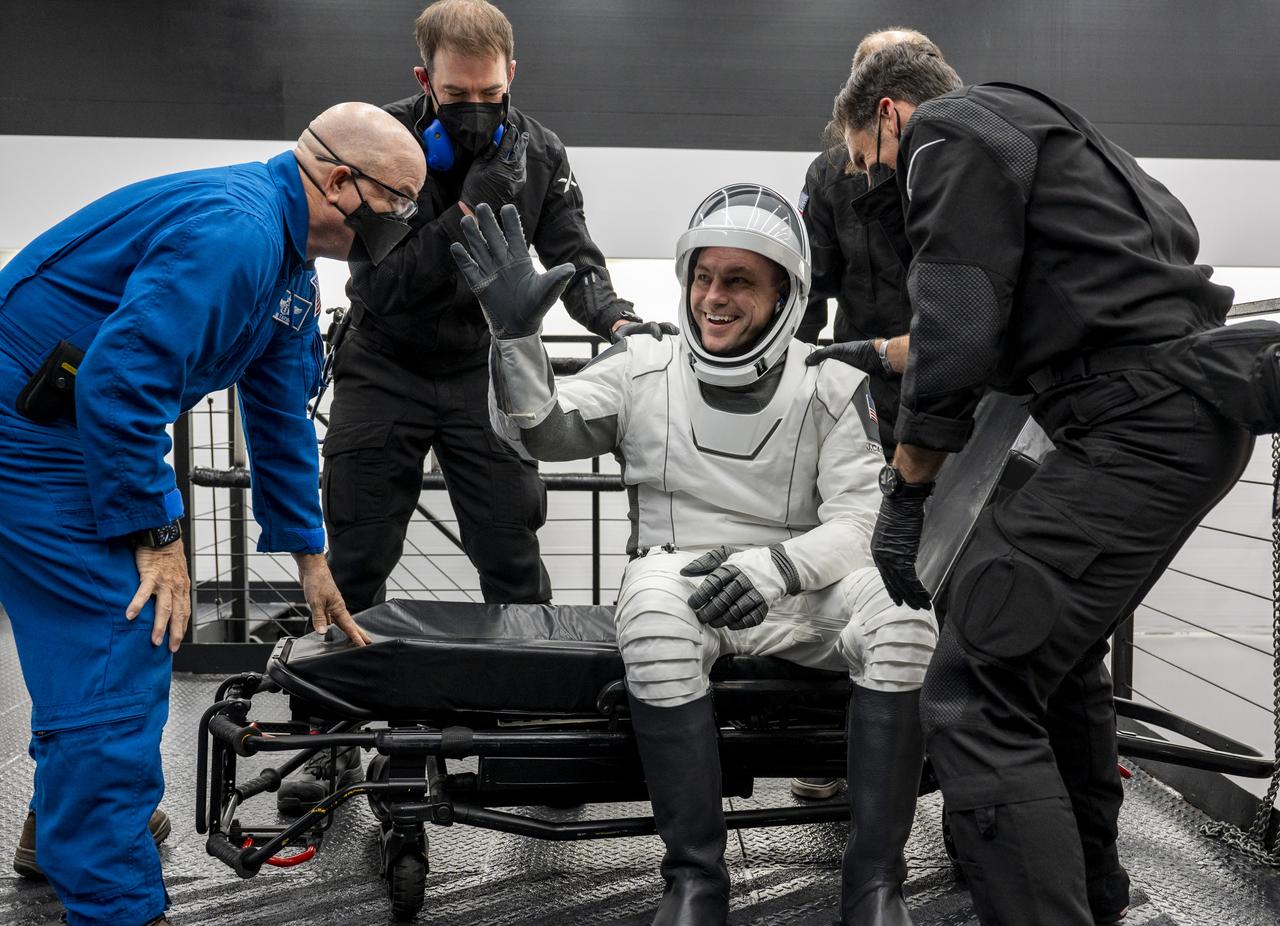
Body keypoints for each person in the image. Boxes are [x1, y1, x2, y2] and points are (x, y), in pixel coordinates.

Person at [830, 43, 1254, 924]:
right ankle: (1096, 896)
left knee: (973, 685)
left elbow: (958, 309)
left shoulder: (944, 133)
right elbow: (1076, 295)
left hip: (1132, 429)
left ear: (889, 117)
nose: (880, 190)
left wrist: (906, 494)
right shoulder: (1060, 134)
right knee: (1052, 670)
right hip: (1176, 413)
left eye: (874, 169)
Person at [451, 192, 939, 925]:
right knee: (651, 618)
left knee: (906, 616)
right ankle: (695, 885)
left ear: (786, 295)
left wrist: (773, 569)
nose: (714, 297)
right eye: (703, 276)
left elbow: (860, 520)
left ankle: (875, 887)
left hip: (798, 581)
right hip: (679, 576)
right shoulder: (642, 365)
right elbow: (540, 434)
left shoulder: (832, 380)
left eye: (740, 280)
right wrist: (515, 338)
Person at [0, 101, 399, 926]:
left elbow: (282, 411)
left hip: (71, 427)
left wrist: (310, 557)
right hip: (35, 435)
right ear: (338, 181)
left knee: (100, 652)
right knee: (129, 635)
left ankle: (66, 824)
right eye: (394, 203)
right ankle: (115, 903)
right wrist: (157, 535)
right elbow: (121, 380)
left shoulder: (288, 262)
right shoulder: (237, 234)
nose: (399, 224)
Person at [288, 0, 667, 818]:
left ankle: (530, 734)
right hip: (382, 365)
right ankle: (324, 742)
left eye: (489, 92)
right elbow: (384, 281)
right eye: (458, 94)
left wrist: (620, 320)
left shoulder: (540, 152)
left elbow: (576, 256)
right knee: (353, 562)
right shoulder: (382, 147)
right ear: (426, 81)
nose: (476, 108)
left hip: (478, 372)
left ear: (512, 78)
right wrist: (473, 201)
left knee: (512, 559)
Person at [791, 25, 946, 804]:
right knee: (853, 569)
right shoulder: (830, 175)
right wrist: (788, 374)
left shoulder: (952, 165)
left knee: (950, 578)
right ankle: (834, 754)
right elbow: (810, 285)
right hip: (866, 393)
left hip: (949, 389)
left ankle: (948, 764)